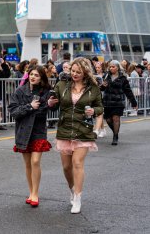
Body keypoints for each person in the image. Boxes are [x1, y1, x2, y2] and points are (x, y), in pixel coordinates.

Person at [48, 57, 103, 214]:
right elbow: (54, 105)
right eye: (73, 71)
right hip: (65, 128)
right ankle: (72, 189)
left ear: (85, 72)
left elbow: (99, 107)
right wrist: (51, 103)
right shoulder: (62, 85)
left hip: (83, 130)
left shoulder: (93, 88)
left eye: (79, 72)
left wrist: (94, 111)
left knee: (77, 162)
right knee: (66, 167)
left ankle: (78, 198)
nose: (75, 74)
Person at [8, 66, 52, 207]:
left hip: (38, 130)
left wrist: (48, 105)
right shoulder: (20, 91)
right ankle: (31, 191)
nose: (33, 77)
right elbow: (14, 111)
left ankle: (35, 193)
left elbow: (46, 109)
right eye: (31, 74)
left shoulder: (45, 92)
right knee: (28, 164)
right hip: (23, 131)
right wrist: (30, 107)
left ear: (41, 78)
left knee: (35, 162)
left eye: (37, 75)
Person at [100, 60, 138, 145]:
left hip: (118, 102)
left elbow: (128, 91)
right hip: (107, 102)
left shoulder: (123, 78)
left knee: (116, 118)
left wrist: (133, 103)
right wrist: (102, 86)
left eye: (113, 67)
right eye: (110, 67)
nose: (111, 68)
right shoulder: (106, 76)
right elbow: (101, 89)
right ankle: (115, 131)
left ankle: (115, 137)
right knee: (108, 120)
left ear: (117, 68)